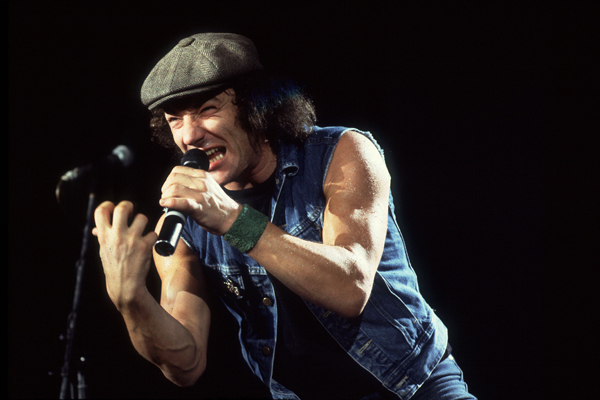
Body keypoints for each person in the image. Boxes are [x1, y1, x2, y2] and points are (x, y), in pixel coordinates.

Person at [93, 32, 475, 399]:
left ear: (256, 106)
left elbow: (351, 287)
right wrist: (130, 299)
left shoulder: (341, 153)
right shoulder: (183, 226)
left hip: (413, 386)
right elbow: (186, 365)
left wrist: (232, 219)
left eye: (208, 109)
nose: (189, 135)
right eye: (175, 120)